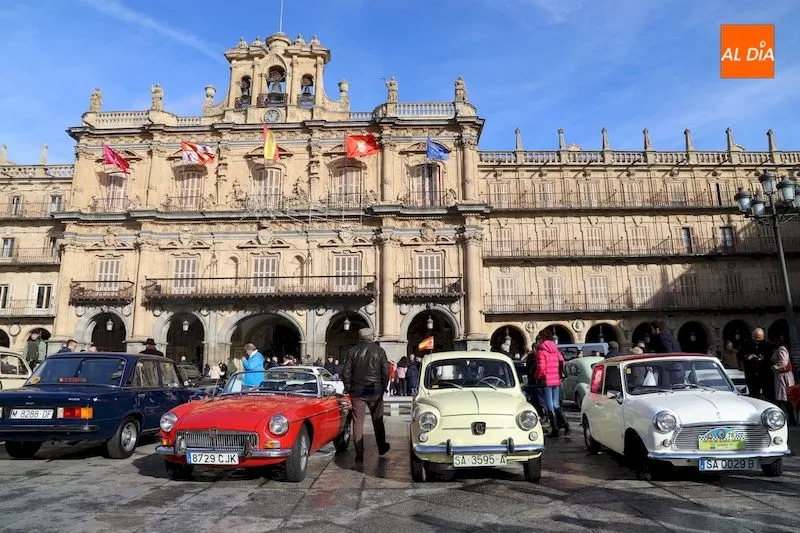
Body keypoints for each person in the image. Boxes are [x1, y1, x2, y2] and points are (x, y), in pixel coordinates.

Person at [341, 328, 390, 461]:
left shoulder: (352, 351)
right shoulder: (379, 351)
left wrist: (349, 388)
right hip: (374, 390)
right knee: (378, 420)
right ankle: (381, 447)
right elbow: (385, 372)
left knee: (357, 422)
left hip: (357, 391)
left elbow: (345, 373)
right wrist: (383, 387)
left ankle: (359, 452)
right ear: (371, 337)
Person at [535, 330, 568, 437]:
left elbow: (541, 367)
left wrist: (537, 376)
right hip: (556, 379)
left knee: (549, 405)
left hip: (546, 380)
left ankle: (555, 429)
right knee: (556, 404)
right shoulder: (555, 349)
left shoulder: (541, 350)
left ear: (542, 338)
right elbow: (562, 361)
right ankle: (565, 424)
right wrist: (559, 374)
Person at [737, 328, 774, 400]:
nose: (757, 340)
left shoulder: (767, 344)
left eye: (759, 338)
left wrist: (763, 358)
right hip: (751, 373)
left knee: (767, 394)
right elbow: (739, 355)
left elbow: (771, 357)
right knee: (754, 394)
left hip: (764, 373)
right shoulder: (746, 344)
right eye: (755, 338)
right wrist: (747, 356)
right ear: (752, 336)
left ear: (763, 336)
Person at [771, 344, 795, 418]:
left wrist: (774, 367)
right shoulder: (781, 349)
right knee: (784, 398)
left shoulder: (781, 349)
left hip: (783, 376)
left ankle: (789, 418)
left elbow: (783, 362)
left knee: (784, 397)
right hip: (783, 376)